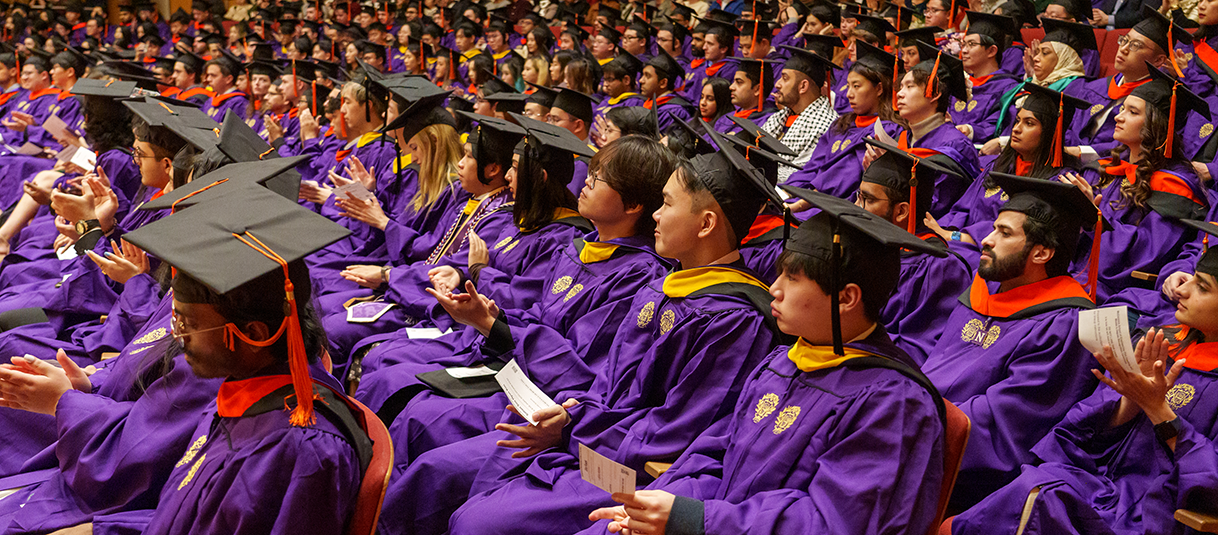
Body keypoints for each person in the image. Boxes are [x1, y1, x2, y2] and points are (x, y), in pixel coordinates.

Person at [378, 128, 782, 535]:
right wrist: (571, 416)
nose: (656, 215)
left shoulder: (734, 319)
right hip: (583, 434)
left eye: (667, 204)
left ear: (706, 223)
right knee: (461, 478)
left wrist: (573, 428)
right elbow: (604, 385)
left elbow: (672, 432)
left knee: (479, 516)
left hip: (631, 471)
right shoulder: (662, 286)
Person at [582, 187, 949, 535]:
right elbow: (716, 455)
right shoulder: (783, 361)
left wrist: (696, 519)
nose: (773, 288)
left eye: (792, 278)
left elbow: (832, 522)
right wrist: (656, 506)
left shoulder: (892, 403)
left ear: (845, 298)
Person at [948, 217, 1218, 534]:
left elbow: (1209, 485)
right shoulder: (1163, 346)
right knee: (1036, 486)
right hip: (1101, 488)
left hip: (1152, 514)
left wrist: (1159, 410)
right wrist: (1131, 400)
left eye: (1201, 287)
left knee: (1040, 495)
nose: (1181, 290)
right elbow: (1079, 430)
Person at [923, 173, 1101, 510]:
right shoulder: (983, 294)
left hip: (967, 478)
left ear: (1042, 253)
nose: (986, 240)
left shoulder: (1064, 324)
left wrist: (914, 419)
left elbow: (1005, 423)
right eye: (993, 229)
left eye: (1004, 233)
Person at [934, 83, 1093, 262]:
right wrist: (942, 232)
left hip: (1000, 262)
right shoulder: (998, 166)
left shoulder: (1059, 182)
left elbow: (1028, 237)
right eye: (1017, 120)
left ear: (1050, 133)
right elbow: (963, 208)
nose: (1016, 129)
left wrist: (959, 237)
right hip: (961, 247)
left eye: (1029, 123)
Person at [786, 41, 905, 204]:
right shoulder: (841, 124)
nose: (849, 94)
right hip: (811, 198)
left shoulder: (887, 131)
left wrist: (807, 200)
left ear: (879, 89)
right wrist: (787, 191)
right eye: (848, 86)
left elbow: (850, 175)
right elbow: (814, 166)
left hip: (840, 205)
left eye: (856, 86)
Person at [878, 41, 980, 218]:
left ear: (934, 93)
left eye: (909, 87)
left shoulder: (956, 146)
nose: (900, 94)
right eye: (900, 87)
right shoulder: (905, 137)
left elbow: (935, 206)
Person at [762, 46, 838, 183]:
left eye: (785, 79)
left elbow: (801, 174)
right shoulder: (779, 117)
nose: (778, 84)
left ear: (803, 86)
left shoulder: (826, 127)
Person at [950, 12, 1021, 143]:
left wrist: (971, 131)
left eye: (971, 44)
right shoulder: (959, 82)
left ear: (992, 51)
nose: (964, 50)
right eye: (963, 44)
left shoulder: (1007, 88)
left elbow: (1000, 124)